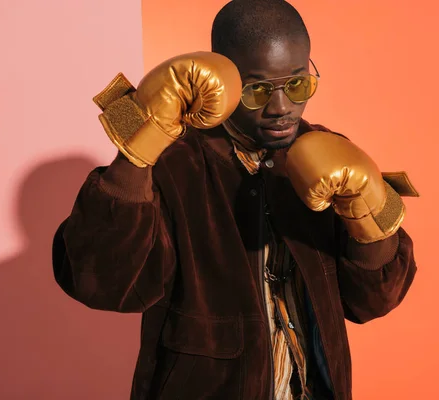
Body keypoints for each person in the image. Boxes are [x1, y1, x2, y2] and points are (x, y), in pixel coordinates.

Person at [52, 1, 419, 399]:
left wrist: (369, 209)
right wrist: (138, 144)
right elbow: (104, 284)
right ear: (225, 82)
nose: (281, 108)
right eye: (257, 91)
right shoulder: (175, 164)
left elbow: (373, 300)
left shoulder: (329, 154)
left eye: (297, 84)